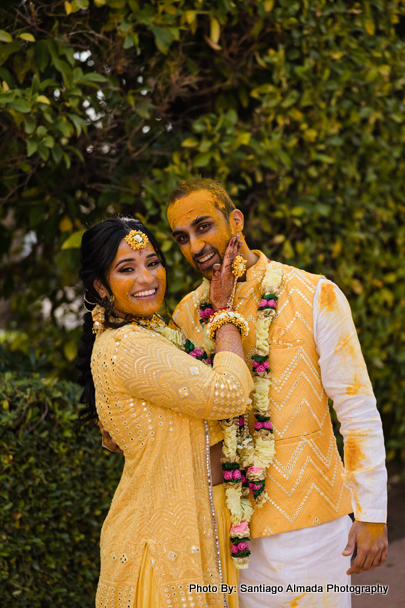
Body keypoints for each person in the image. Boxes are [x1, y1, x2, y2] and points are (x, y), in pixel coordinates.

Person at [164, 177, 388, 608]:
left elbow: (357, 408)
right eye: (182, 238)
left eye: (203, 227)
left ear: (236, 220)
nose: (195, 247)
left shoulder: (313, 293)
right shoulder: (187, 316)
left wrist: (372, 513)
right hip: (232, 538)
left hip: (314, 531)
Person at [76, 216, 254, 608]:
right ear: (100, 286)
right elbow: (230, 392)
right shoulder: (129, 346)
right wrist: (224, 314)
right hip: (161, 546)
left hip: (194, 529)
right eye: (127, 269)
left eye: (153, 262)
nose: (147, 278)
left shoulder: (153, 331)